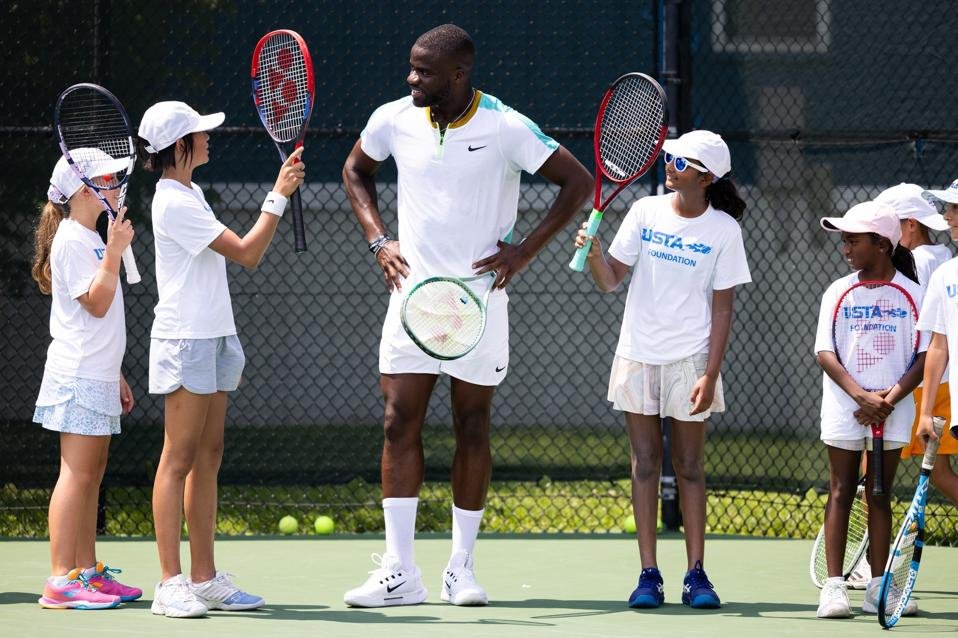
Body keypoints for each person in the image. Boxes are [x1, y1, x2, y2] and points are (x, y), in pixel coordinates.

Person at [341, 23, 591, 608]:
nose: (412, 78)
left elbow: (576, 181)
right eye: (411, 67)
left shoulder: (505, 125)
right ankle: (400, 572)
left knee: (472, 427)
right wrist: (379, 241)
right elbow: (356, 170)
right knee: (397, 422)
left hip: (480, 303)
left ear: (459, 75)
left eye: (424, 71)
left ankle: (461, 568)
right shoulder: (393, 118)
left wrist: (524, 251)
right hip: (411, 300)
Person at [137, 101, 305, 618]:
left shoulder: (192, 192)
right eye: (200, 133)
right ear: (178, 146)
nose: (210, 137)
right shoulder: (173, 202)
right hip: (186, 340)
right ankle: (170, 583)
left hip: (215, 336)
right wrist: (278, 195)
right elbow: (248, 253)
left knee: (208, 458)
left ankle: (205, 578)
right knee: (178, 458)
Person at [575, 130, 750, 610]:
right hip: (638, 355)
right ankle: (647, 575)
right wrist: (593, 253)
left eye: (682, 160)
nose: (669, 163)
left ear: (707, 176)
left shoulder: (724, 232)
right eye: (670, 156)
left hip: (691, 360)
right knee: (645, 462)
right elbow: (610, 281)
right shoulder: (644, 211)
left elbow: (722, 311)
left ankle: (696, 575)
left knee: (690, 467)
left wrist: (709, 375)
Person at [32, 151, 140, 609]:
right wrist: (114, 251)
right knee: (75, 476)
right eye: (106, 178)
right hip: (75, 376)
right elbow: (95, 303)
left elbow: (99, 317)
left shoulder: (92, 237)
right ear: (82, 191)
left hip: (98, 375)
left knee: (92, 476)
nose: (116, 183)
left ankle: (87, 574)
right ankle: (60, 580)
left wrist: (115, 372)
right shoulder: (73, 240)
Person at [813, 201, 926, 619]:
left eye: (853, 240)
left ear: (881, 244)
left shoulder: (915, 294)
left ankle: (880, 587)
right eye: (844, 239)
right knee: (841, 490)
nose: (845, 247)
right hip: (846, 407)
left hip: (892, 411)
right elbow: (825, 351)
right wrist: (861, 396)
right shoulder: (837, 291)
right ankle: (834, 586)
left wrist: (888, 400)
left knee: (879, 494)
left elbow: (923, 355)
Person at [841, 182, 955, 587]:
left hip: (918, 386)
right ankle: (870, 564)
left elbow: (922, 337)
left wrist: (893, 392)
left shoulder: (923, 266)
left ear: (905, 226)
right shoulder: (943, 259)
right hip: (930, 385)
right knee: (933, 473)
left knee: (875, 480)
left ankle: (867, 564)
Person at [913, 179, 958, 504]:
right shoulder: (946, 274)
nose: (948, 215)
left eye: (955, 208)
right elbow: (938, 346)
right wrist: (926, 412)